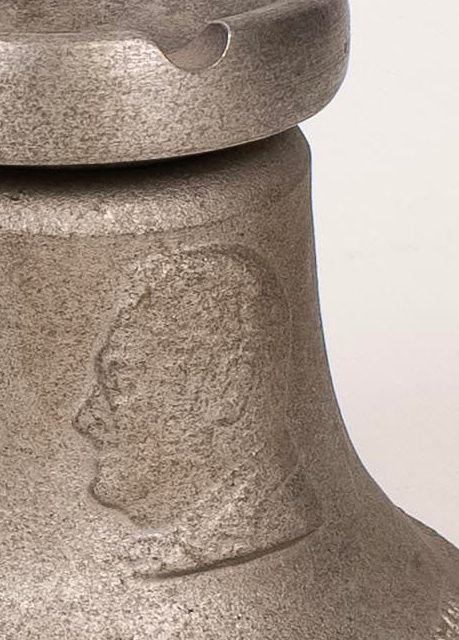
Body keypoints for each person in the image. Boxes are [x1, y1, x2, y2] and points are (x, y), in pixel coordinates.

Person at [73, 246, 318, 578]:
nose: (85, 419)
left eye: (118, 381)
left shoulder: (255, 525)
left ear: (228, 388)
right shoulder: (190, 538)